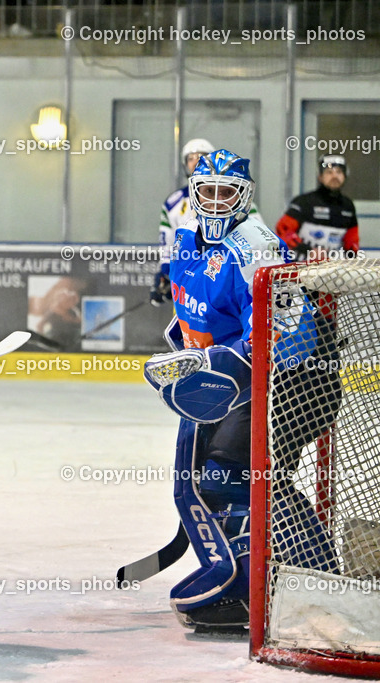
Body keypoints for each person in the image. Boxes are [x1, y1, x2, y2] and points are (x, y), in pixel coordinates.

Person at [142, 150, 292, 633]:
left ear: (244, 197)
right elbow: (194, 310)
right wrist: (184, 349)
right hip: (217, 383)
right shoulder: (189, 235)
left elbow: (288, 333)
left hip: (271, 383)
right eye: (206, 190)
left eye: (226, 192)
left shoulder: (257, 247)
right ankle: (236, 578)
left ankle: (262, 586)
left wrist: (224, 362)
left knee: (226, 479)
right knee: (189, 486)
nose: (214, 201)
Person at [150, 138, 260, 306]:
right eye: (191, 157)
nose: (195, 161)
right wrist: (167, 272)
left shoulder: (238, 199)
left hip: (227, 276)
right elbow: (169, 242)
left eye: (201, 157)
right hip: (191, 277)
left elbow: (257, 233)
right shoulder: (173, 203)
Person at [275, 154, 359, 261]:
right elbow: (282, 231)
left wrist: (353, 260)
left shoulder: (348, 206)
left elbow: (352, 243)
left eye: (339, 172)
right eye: (329, 172)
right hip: (296, 267)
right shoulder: (304, 202)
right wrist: (309, 250)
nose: (334, 176)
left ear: (345, 176)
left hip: (330, 269)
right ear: (320, 176)